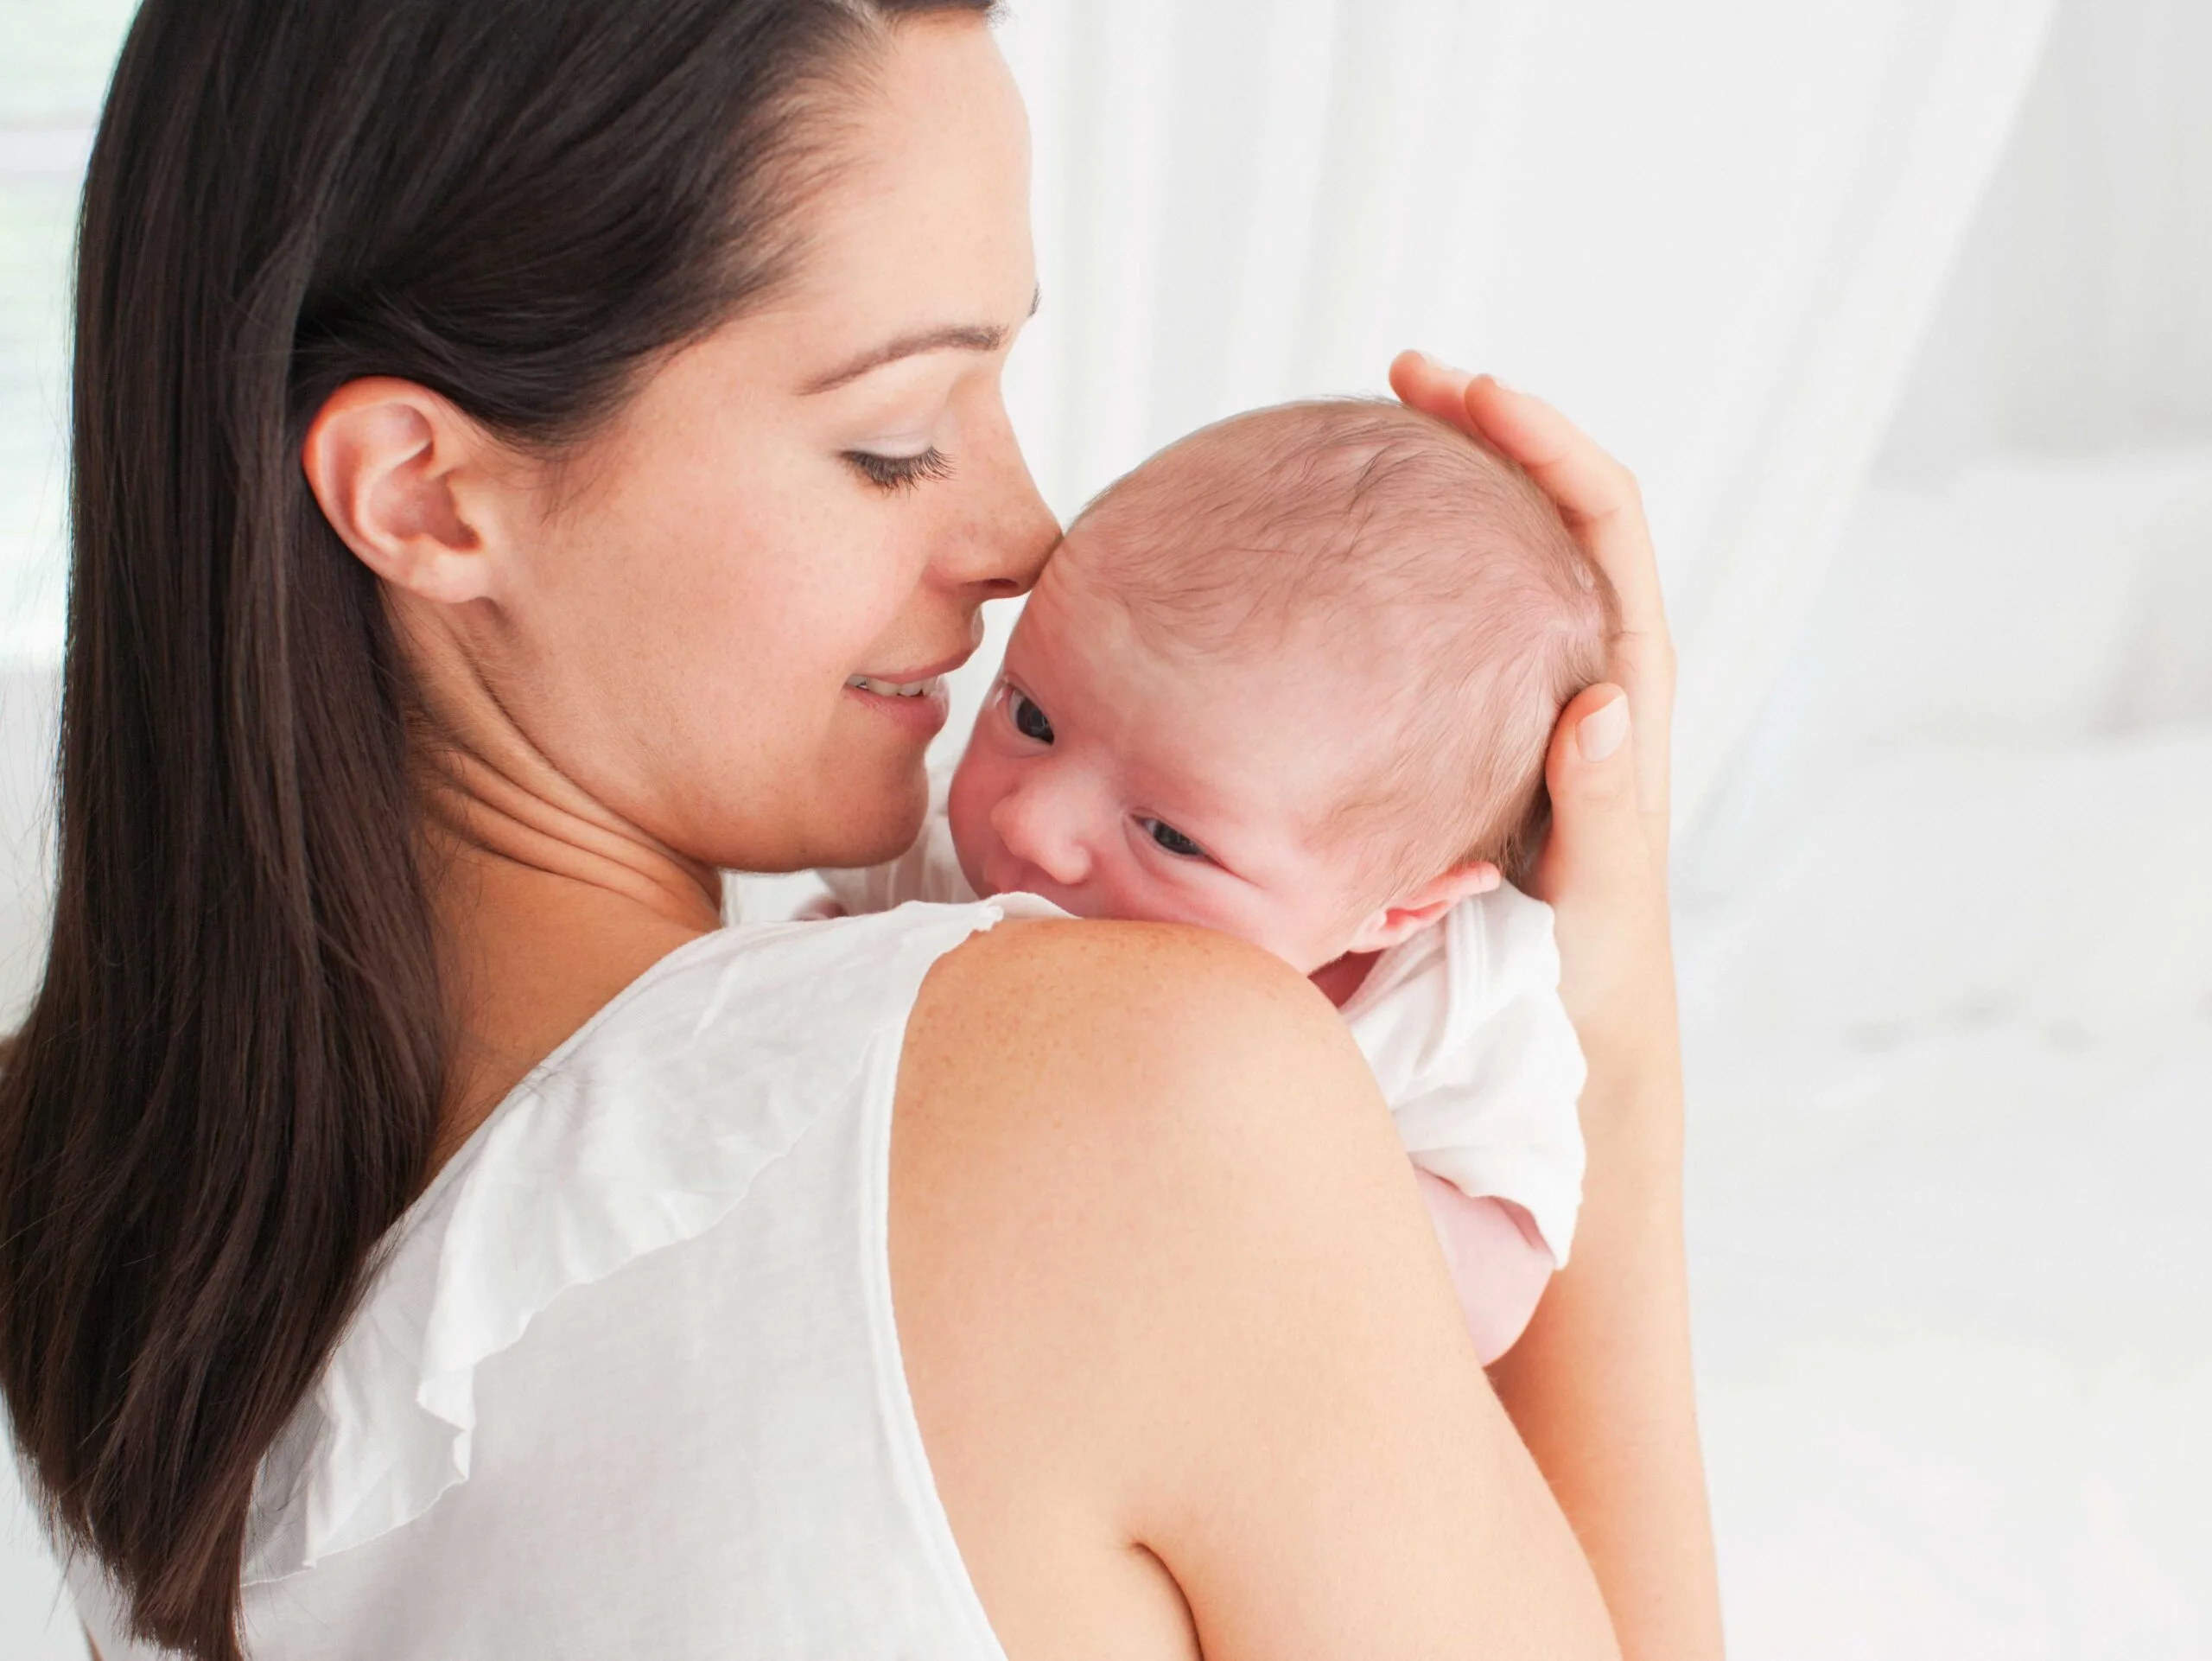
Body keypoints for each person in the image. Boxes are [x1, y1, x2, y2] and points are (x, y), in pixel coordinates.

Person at [0, 3, 1722, 1659]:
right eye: (892, 439)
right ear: (429, 495)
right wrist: (1605, 1025)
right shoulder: (1146, 1088)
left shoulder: (74, 1207)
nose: (1024, 534)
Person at [808, 397, 1617, 1363]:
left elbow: (1500, 1280)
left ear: (1396, 908)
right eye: (1030, 719)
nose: (1031, 822)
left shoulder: (1448, 1006)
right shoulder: (944, 855)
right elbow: (800, 971)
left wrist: (1289, 1166)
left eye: (1168, 835)